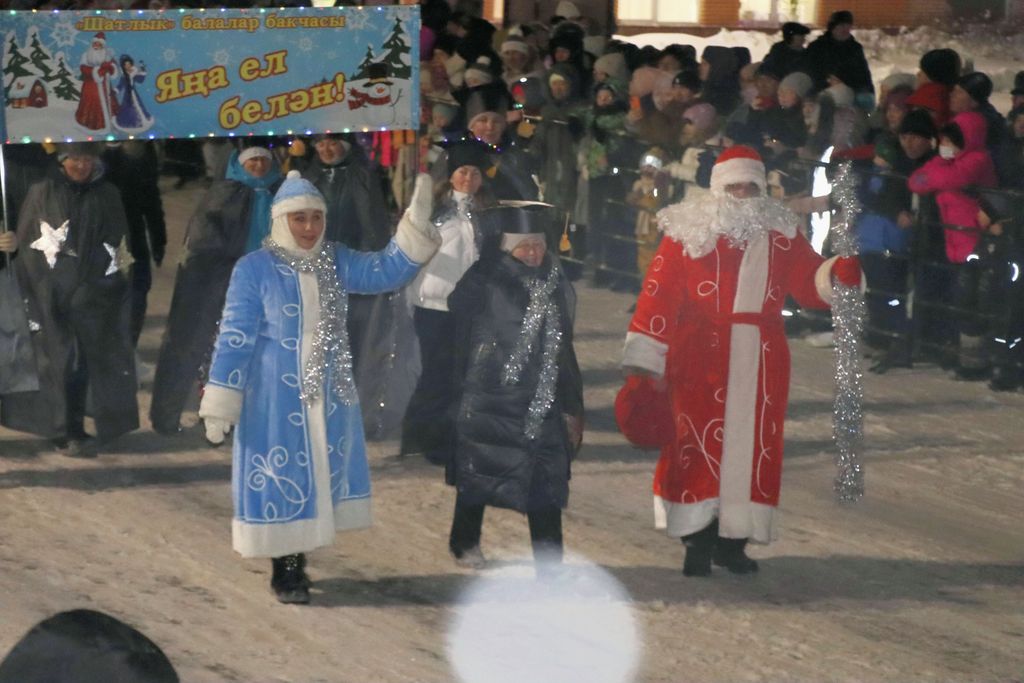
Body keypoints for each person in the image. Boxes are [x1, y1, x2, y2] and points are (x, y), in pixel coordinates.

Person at [615, 145, 860, 577]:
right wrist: (645, 360)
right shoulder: (688, 231)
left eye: (751, 186)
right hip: (697, 355)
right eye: (735, 186)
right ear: (718, 187)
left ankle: (733, 542)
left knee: (752, 449)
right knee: (697, 445)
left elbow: (808, 282)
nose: (742, 194)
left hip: (762, 358)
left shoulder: (782, 231)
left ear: (761, 188)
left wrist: (836, 275)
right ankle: (697, 539)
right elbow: (659, 294)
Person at [198, 171, 441, 604]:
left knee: (320, 472)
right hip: (274, 394)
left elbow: (385, 271)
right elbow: (236, 335)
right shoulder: (254, 269)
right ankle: (287, 568)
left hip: (329, 391)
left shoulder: (335, 259)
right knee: (284, 474)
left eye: (315, 218)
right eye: (299, 219)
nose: (309, 228)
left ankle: (299, 555)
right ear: (280, 220)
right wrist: (222, 399)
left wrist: (415, 227)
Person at [445, 202, 583, 574]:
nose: (534, 253)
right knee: (481, 475)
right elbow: (457, 306)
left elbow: (563, 349)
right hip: (494, 399)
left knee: (545, 484)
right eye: (525, 246)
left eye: (538, 245)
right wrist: (482, 268)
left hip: (543, 403)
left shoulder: (554, 282)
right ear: (506, 246)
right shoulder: (488, 277)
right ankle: (464, 541)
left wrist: (572, 404)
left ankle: (550, 563)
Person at [0, 142, 137, 457]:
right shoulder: (42, 192)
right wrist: (45, 287)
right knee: (57, 363)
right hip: (51, 295)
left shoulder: (108, 195)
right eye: (75, 159)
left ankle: (81, 423)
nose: (81, 166)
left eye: (87, 159)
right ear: (62, 161)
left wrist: (100, 286)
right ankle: (61, 428)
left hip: (94, 297)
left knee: (86, 364)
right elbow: (31, 245)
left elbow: (118, 244)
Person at [150, 143, 283, 435]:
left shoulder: (283, 195)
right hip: (225, 286)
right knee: (213, 349)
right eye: (252, 161)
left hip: (269, 288)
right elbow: (202, 242)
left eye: (263, 160)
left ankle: (252, 414)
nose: (258, 166)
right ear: (240, 164)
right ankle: (209, 410)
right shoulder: (223, 195)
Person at [402, 138, 494, 461]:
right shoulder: (436, 211)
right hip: (433, 304)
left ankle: (450, 438)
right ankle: (420, 437)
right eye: (462, 172)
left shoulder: (487, 213)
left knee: (462, 375)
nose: (468, 179)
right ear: (451, 174)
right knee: (434, 373)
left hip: (470, 308)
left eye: (475, 173)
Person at [908, 111, 998, 380]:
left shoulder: (978, 160)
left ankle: (975, 362)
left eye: (949, 140)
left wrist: (935, 175)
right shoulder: (946, 162)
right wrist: (937, 173)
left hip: (976, 242)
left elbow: (948, 179)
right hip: (954, 242)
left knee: (972, 301)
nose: (943, 146)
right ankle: (961, 354)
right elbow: (916, 181)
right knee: (960, 300)